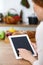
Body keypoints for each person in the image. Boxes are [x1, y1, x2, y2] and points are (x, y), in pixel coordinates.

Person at [18, 0, 43, 65]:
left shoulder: (41, 28)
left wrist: (29, 57)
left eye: (34, 3)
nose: (33, 8)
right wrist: (39, 49)